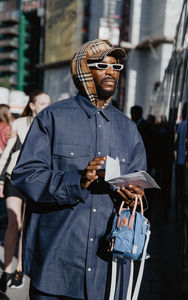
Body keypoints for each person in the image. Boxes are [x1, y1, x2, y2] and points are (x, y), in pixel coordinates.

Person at [11, 39, 147, 300]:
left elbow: (140, 188)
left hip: (109, 273)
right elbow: (26, 175)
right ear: (83, 70)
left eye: (115, 65)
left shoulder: (128, 130)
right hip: (56, 269)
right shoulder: (52, 118)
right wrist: (78, 180)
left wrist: (135, 195)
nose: (111, 71)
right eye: (101, 65)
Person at [0, 91, 51, 292]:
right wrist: (0, 180)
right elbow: (6, 153)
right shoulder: (19, 125)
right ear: (32, 105)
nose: (46, 106)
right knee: (14, 223)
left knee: (27, 227)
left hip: (36, 182)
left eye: (49, 103)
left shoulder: (51, 125)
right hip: (15, 178)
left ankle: (20, 269)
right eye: (42, 103)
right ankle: (7, 270)